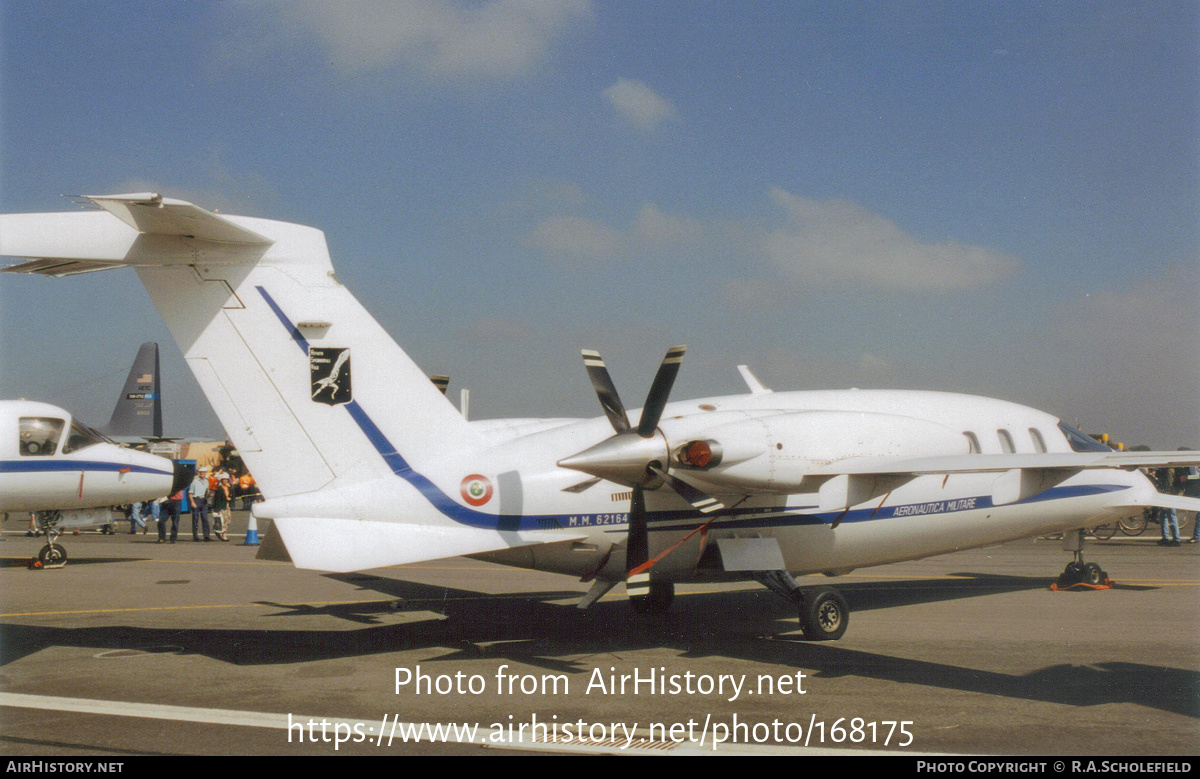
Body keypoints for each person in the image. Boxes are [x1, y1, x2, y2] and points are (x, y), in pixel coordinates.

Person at [1154, 468, 1180, 547]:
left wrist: (1166, 495)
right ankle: (1166, 537)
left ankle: (1176, 539)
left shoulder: (1168, 470)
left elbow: (1168, 483)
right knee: (1164, 516)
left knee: (1170, 516)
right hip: (1167, 494)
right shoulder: (1166, 469)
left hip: (1168, 495)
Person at [190, 468, 212, 541]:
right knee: (195, 519)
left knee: (205, 518)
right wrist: (192, 502)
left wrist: (209, 495)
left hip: (204, 500)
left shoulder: (207, 482)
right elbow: (190, 493)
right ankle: (195, 536)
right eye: (201, 472)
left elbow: (207, 492)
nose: (203, 474)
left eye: (204, 472)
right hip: (196, 499)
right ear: (199, 473)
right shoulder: (195, 482)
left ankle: (206, 536)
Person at [211, 470, 232, 542]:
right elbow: (217, 499)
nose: (225, 481)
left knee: (227, 520)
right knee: (222, 520)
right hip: (221, 506)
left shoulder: (228, 487)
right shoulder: (219, 489)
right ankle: (222, 534)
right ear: (221, 481)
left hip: (227, 506)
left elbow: (231, 496)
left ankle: (224, 533)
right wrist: (218, 509)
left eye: (226, 480)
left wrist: (230, 499)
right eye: (224, 480)